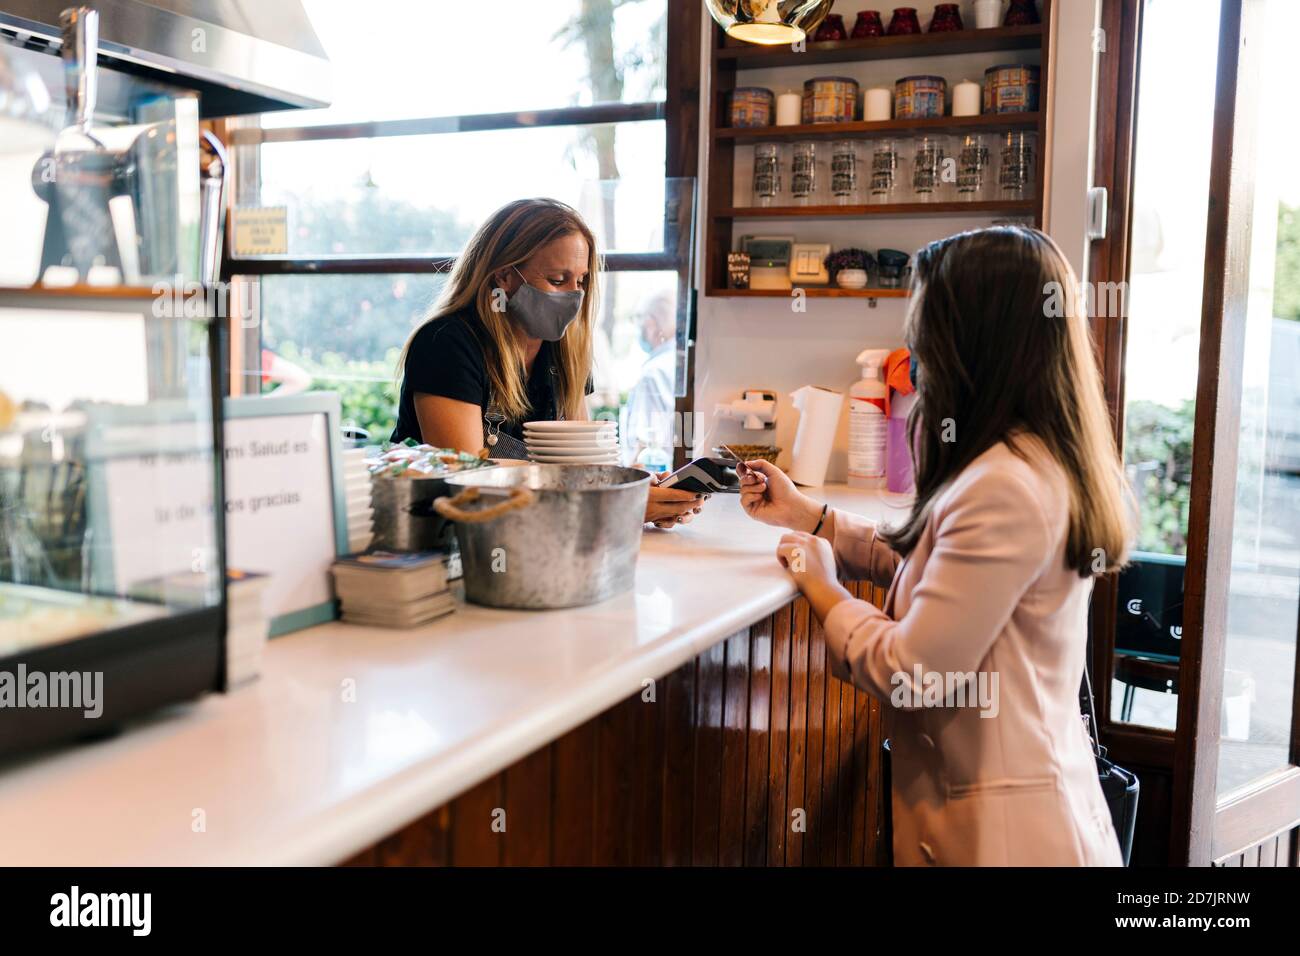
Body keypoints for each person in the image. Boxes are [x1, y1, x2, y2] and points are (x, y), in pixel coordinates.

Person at [739, 225, 1134, 866]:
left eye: (922, 319)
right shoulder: (1026, 458)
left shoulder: (1002, 484)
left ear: (971, 337)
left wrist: (823, 586)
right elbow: (945, 572)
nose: (912, 345)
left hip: (1008, 840)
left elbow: (915, 673)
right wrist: (812, 517)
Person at [392, 198, 704, 528]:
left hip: (529, 535)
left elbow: (583, 465)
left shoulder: (564, 351)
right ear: (503, 276)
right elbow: (467, 482)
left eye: (581, 280)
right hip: (440, 539)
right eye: (557, 279)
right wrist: (617, 505)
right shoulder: (447, 343)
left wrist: (633, 491)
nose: (574, 295)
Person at [621, 290, 678, 468]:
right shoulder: (678, 363)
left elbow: (644, 442)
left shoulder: (653, 373)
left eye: (639, 319)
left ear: (651, 324)